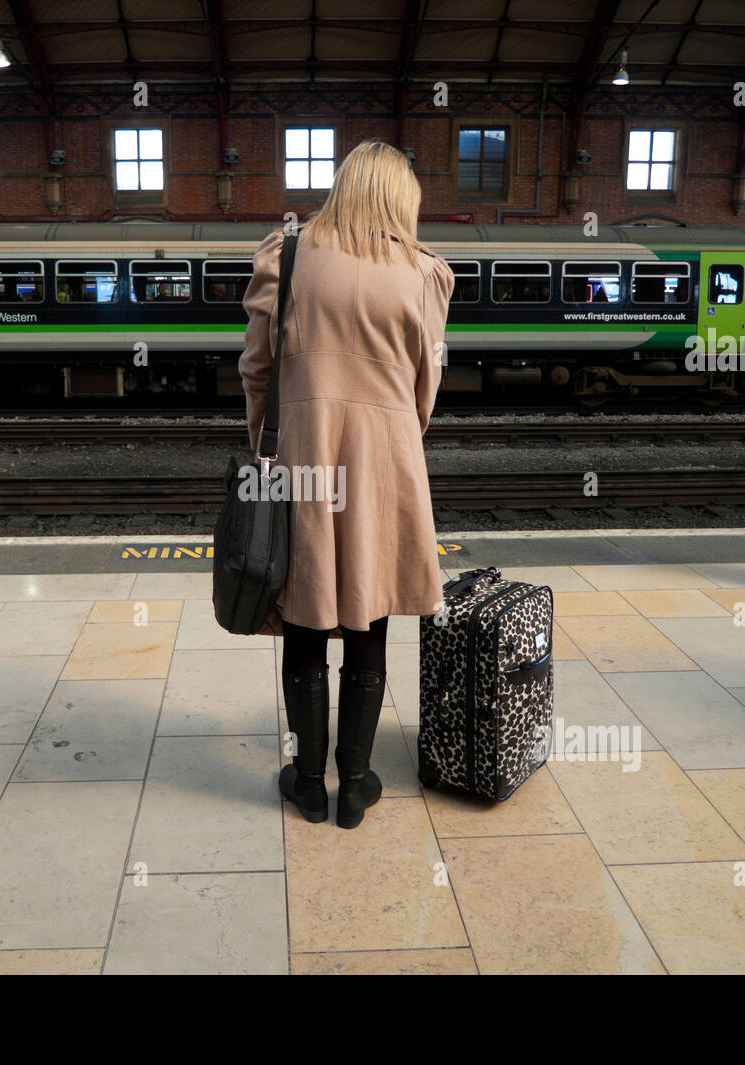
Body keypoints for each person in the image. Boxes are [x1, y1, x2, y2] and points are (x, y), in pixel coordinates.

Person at [238, 140, 455, 829]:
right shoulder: (422, 273)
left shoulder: (290, 255)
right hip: (385, 461)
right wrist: (390, 434)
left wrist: (271, 437)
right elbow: (428, 385)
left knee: (303, 619)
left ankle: (307, 783)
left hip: (303, 456)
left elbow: (255, 368)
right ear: (401, 198)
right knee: (369, 615)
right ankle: (355, 788)